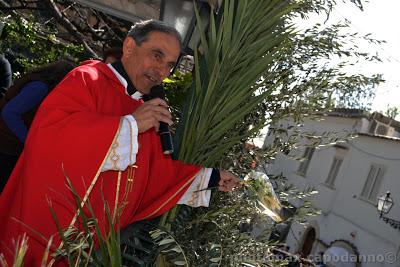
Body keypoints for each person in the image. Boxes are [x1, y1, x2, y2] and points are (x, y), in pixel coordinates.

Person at [0, 20, 240, 266]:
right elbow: (52, 136)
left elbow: (156, 176)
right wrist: (128, 126)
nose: (162, 71)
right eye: (156, 56)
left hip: (85, 250)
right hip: (40, 232)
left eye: (169, 65)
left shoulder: (143, 111)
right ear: (128, 47)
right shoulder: (88, 78)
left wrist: (211, 177)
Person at [0, 60, 75, 192]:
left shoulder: (38, 82)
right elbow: (10, 113)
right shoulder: (40, 87)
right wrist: (29, 139)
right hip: (6, 146)